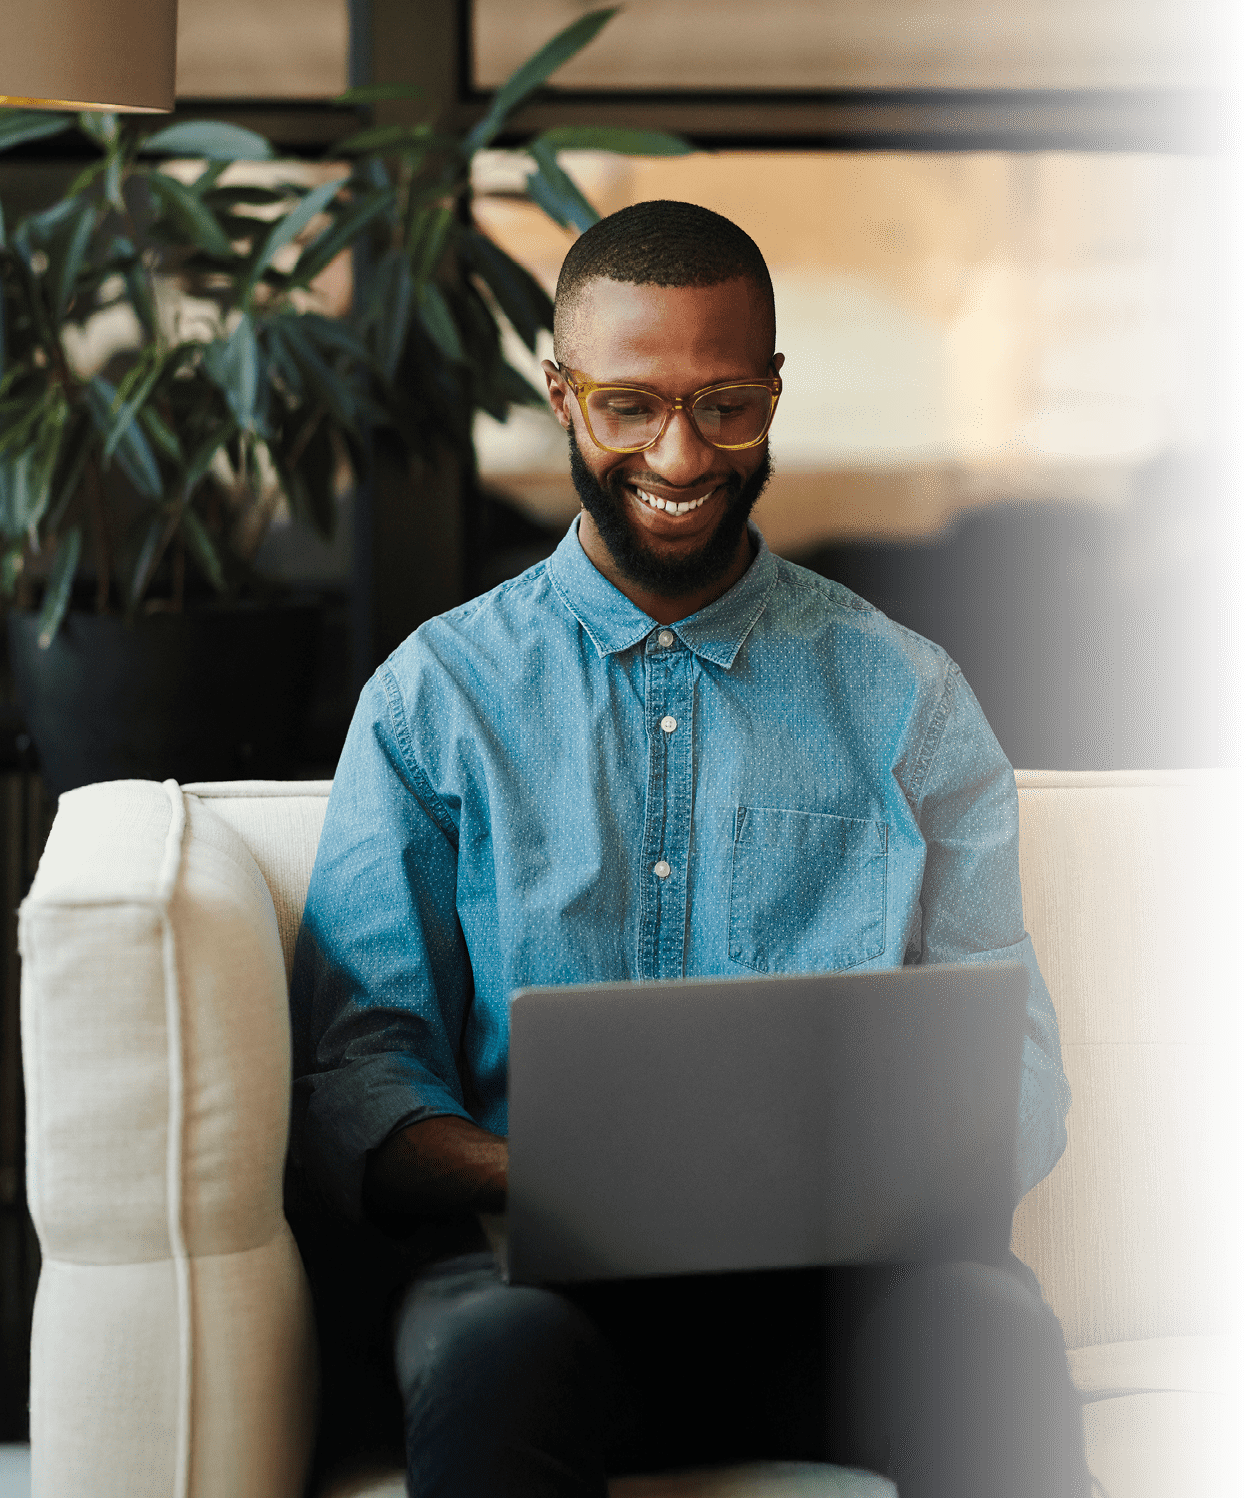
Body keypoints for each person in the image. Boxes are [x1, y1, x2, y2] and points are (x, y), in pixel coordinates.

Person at [288, 200, 1094, 1497]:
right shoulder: (434, 698)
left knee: (989, 1336)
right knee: (497, 1358)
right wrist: (578, 1174)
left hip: (853, 1294)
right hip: (534, 1289)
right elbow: (359, 1081)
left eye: (726, 404)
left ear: (774, 390)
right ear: (561, 394)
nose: (680, 451)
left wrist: (866, 1160)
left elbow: (1027, 1077)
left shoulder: (910, 699)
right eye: (629, 405)